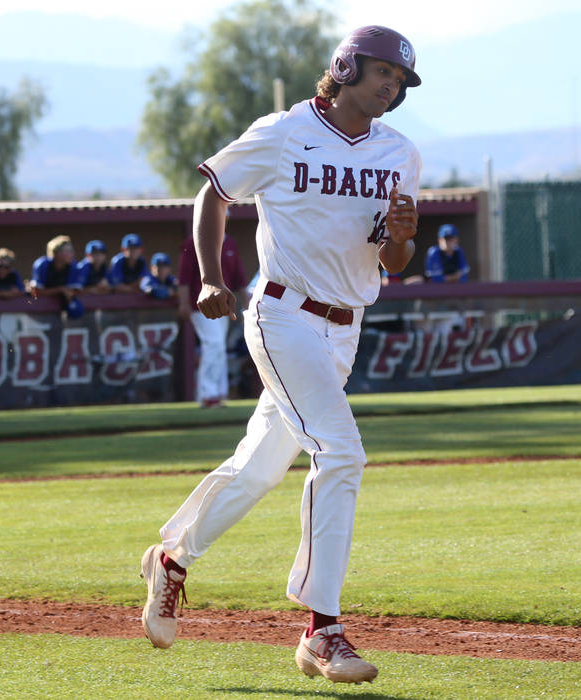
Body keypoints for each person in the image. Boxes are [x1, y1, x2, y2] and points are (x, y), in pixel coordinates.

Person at [139, 25, 422, 685]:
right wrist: (212, 274)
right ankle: (323, 630)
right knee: (341, 452)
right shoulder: (284, 131)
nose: (391, 86)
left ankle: (172, 559)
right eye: (383, 71)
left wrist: (402, 239)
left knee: (259, 468)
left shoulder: (400, 154)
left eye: (400, 80)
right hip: (283, 314)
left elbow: (393, 259)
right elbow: (214, 192)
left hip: (344, 327)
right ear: (346, 64)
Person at [176, 230, 248, 408]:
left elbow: (239, 278)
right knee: (214, 344)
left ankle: (218, 393)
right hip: (200, 304)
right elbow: (183, 277)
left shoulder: (230, 242)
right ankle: (208, 394)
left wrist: (247, 305)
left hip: (223, 306)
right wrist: (183, 302)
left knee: (219, 347)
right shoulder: (193, 241)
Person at [29, 235, 82, 302]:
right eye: (68, 251)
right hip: (40, 306)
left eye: (71, 251)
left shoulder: (73, 266)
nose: (72, 254)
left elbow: (74, 291)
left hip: (62, 306)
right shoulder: (42, 265)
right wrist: (60, 289)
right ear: (56, 253)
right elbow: (35, 291)